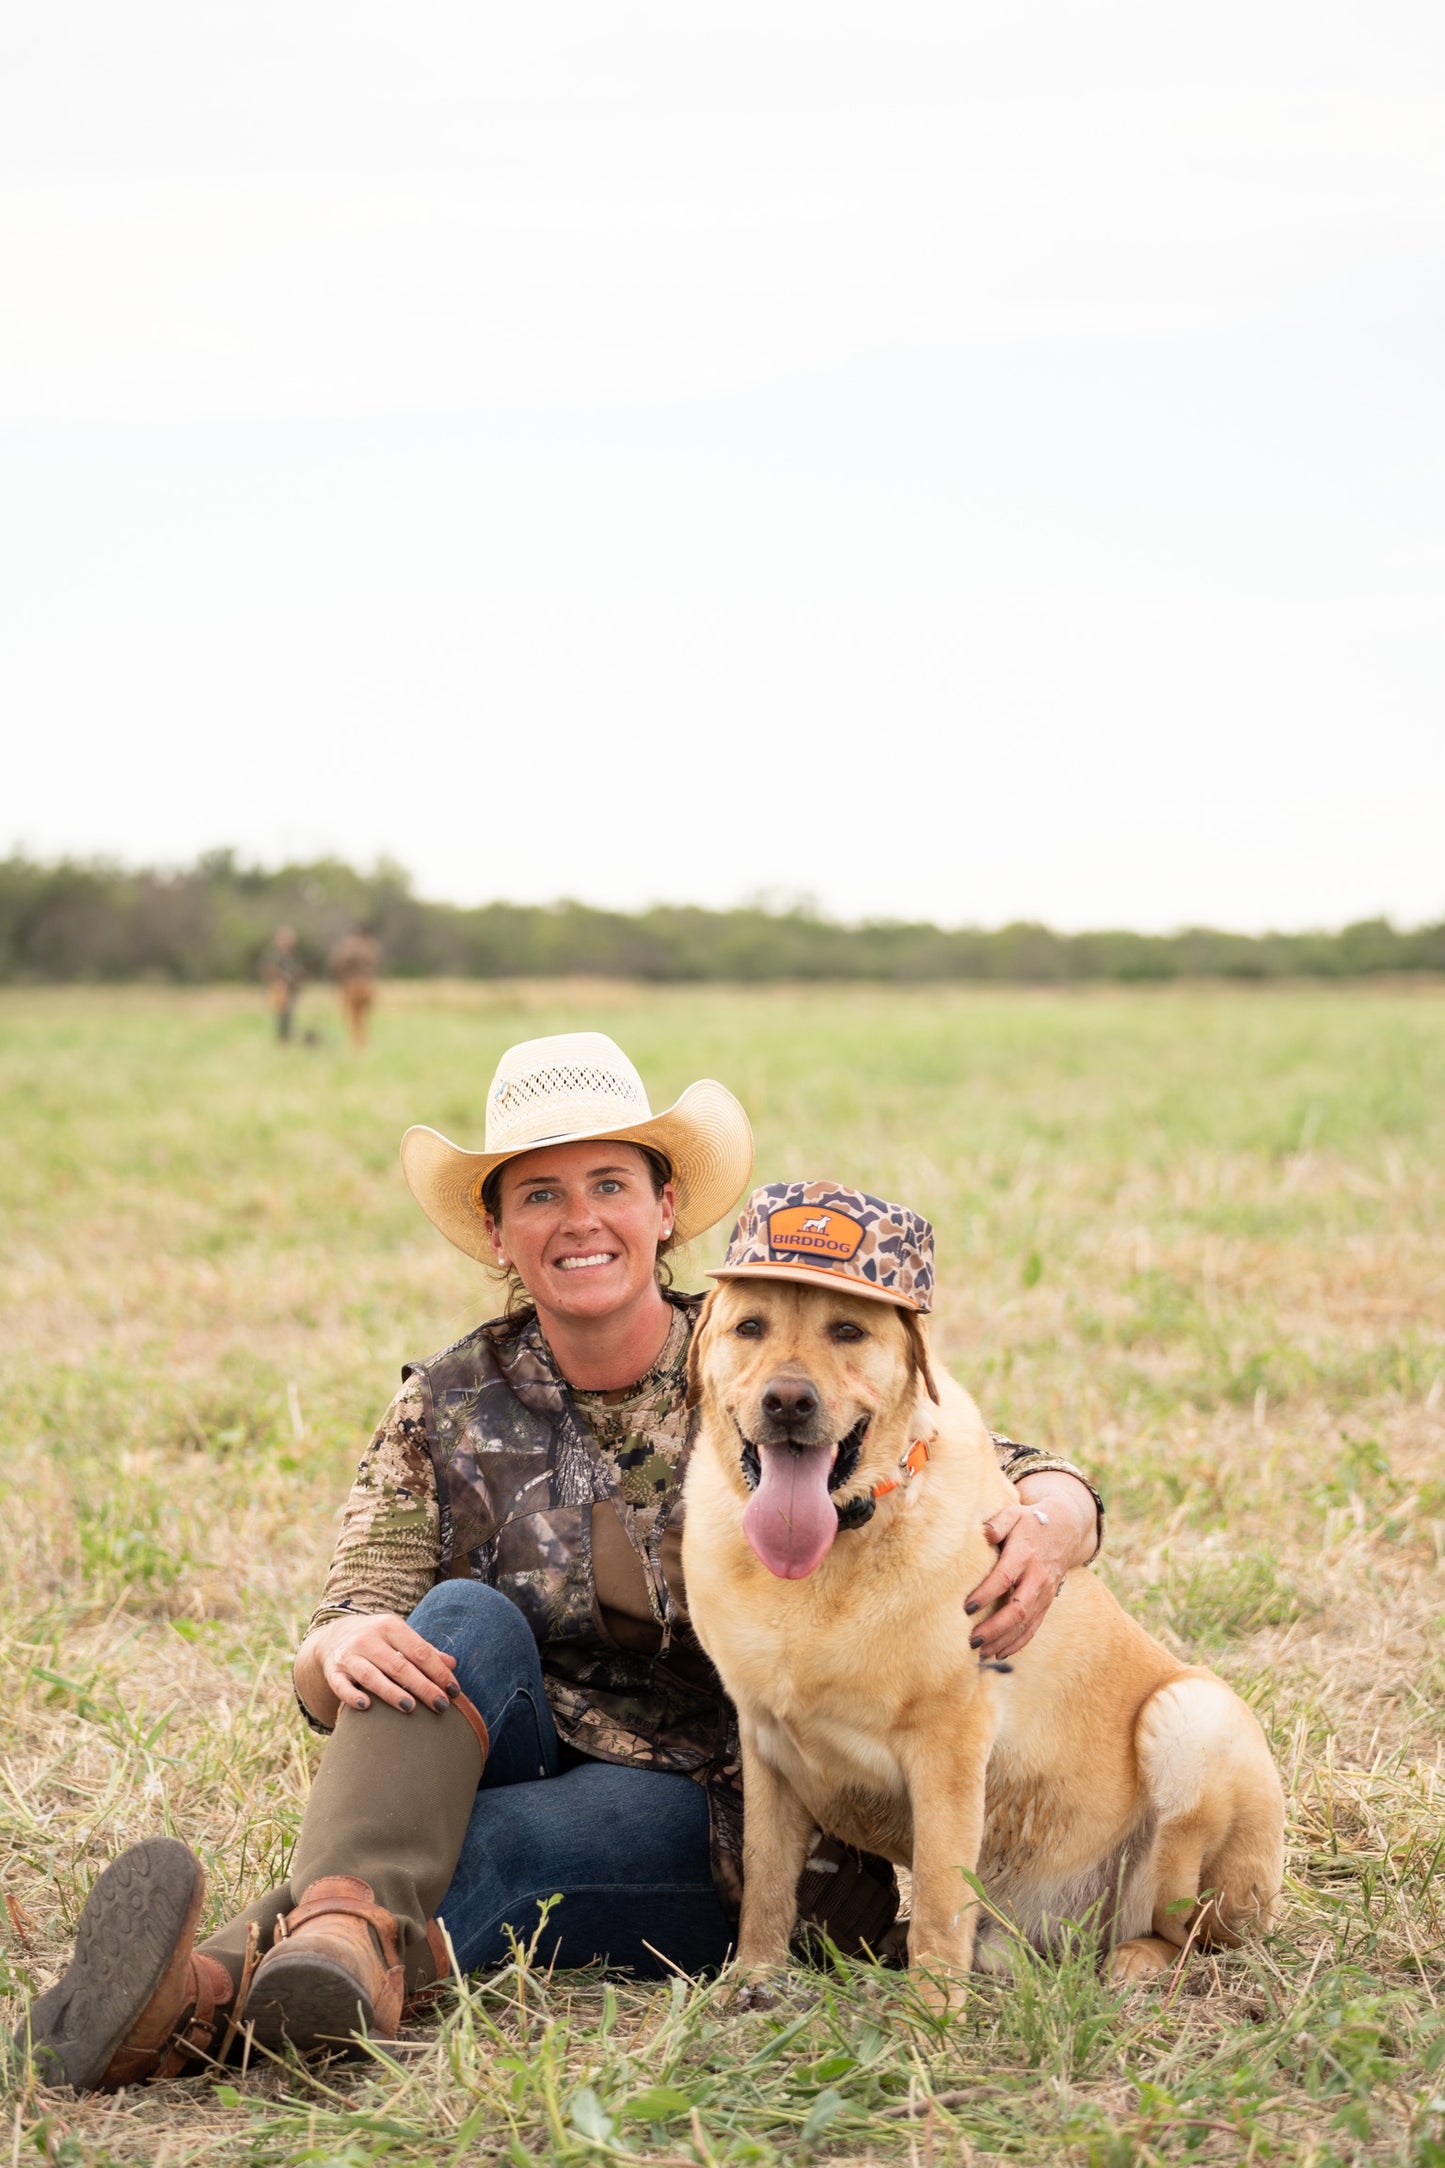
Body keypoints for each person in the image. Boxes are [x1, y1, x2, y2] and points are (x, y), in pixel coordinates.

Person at [18, 1033, 1104, 2092]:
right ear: (496, 1230)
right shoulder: (445, 1402)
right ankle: (326, 1940)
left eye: (608, 1183)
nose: (579, 1217)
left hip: (721, 1800)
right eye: (537, 1193)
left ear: (664, 1206)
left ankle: (202, 1998)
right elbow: (351, 1617)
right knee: (450, 1619)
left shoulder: (751, 1351)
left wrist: (1055, 1512)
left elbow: (981, 1455)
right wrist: (340, 1639)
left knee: (495, 1844)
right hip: (520, 1738)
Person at [329, 930, 381, 1050]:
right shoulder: (370, 949)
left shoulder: (348, 951)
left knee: (353, 1017)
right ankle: (362, 1043)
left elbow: (337, 966)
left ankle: (356, 1044)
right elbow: (374, 967)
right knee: (363, 1017)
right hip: (367, 987)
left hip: (352, 986)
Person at [260, 926, 303, 1044]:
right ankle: (282, 1040)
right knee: (281, 1016)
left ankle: (287, 1038)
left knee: (289, 1015)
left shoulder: (293, 956)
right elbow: (267, 971)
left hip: (291, 990)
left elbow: (298, 972)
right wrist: (279, 979)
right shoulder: (274, 956)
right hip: (279, 990)